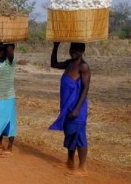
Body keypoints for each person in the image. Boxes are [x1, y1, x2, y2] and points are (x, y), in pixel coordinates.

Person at [49, 42, 91, 177]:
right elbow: (54, 64)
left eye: (77, 49)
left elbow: (85, 89)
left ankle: (83, 167)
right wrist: (56, 46)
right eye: (72, 48)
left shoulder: (83, 67)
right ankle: (70, 161)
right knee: (70, 133)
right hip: (66, 106)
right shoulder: (69, 64)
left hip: (77, 107)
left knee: (79, 135)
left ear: (82, 51)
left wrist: (77, 109)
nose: (73, 51)